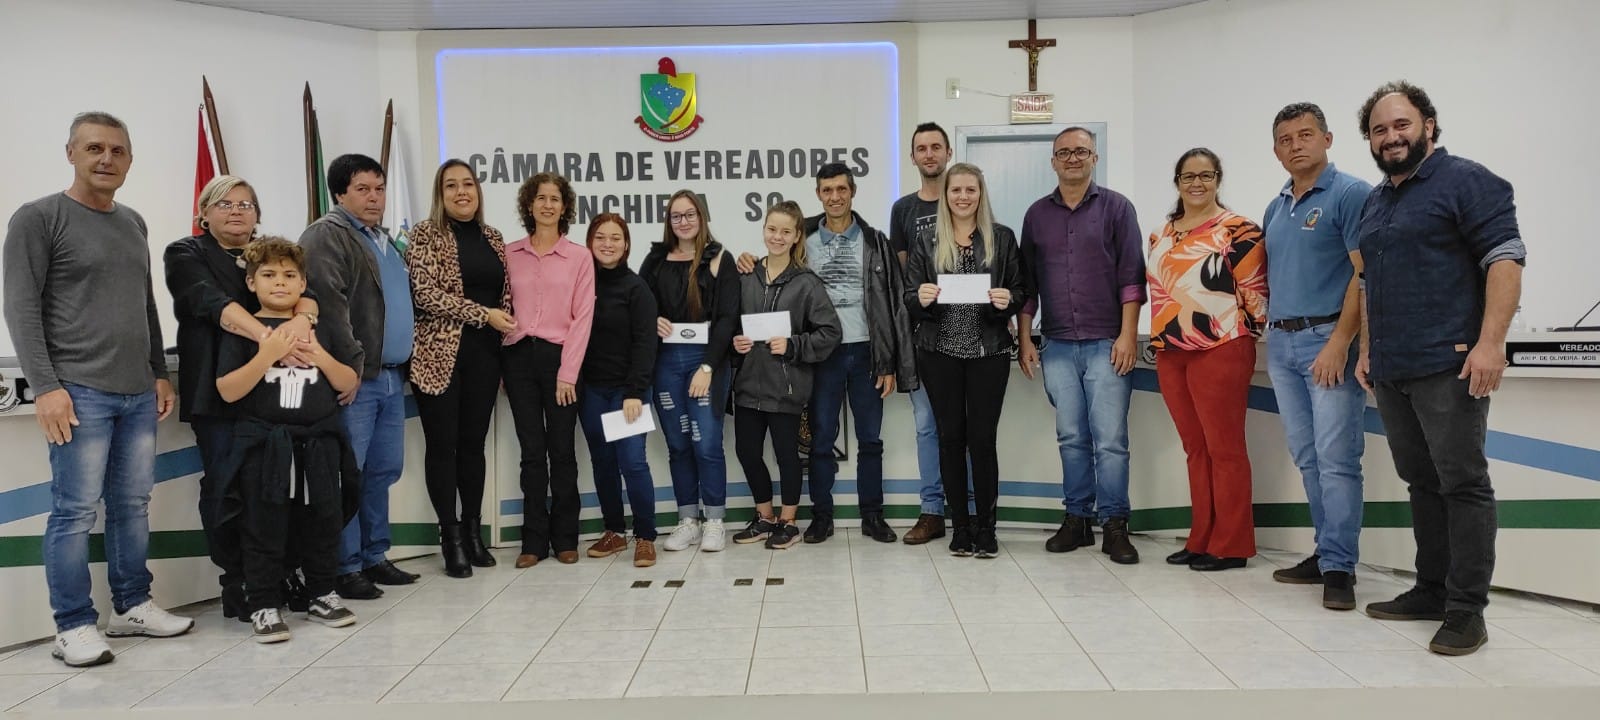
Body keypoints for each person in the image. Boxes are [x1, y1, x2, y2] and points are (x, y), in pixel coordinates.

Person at [4, 111, 193, 667]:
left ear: (129, 160)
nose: (106, 159)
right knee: (75, 511)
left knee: (133, 505)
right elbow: (20, 306)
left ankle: (131, 605)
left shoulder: (132, 221)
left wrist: (158, 369)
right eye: (94, 149)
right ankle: (73, 625)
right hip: (77, 390)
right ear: (71, 154)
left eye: (117, 151)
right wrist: (46, 387)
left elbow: (145, 303)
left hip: (137, 390)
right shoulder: (39, 218)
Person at [1354, 81, 1525, 656]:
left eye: (1401, 124)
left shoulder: (1468, 181)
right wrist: (1367, 350)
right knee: (1421, 483)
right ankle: (1430, 589)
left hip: (1450, 364)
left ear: (1429, 124)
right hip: (1395, 367)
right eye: (1379, 129)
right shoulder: (1379, 200)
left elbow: (1504, 259)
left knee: (1464, 484)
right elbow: (1369, 283)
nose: (1390, 137)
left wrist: (1490, 344)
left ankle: (1466, 609)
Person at [735, 163, 916, 544]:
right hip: (820, 356)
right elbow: (776, 269)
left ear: (852, 192)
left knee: (870, 439)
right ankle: (821, 517)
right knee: (819, 440)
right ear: (818, 194)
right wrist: (748, 260)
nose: (835, 196)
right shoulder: (805, 241)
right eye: (827, 190)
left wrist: (890, 361)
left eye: (841, 189)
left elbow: (893, 305)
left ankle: (873, 516)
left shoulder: (875, 241)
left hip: (867, 351)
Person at [165, 175, 320, 617]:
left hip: (277, 396)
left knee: (278, 490)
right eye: (225, 204)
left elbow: (308, 297)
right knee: (226, 491)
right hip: (218, 396)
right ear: (205, 212)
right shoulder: (186, 253)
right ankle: (238, 581)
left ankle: (279, 574)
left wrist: (301, 322)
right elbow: (212, 304)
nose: (236, 211)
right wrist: (270, 339)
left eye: (246, 204)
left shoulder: (269, 251)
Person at [214, 238, 360, 644]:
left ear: (303, 283)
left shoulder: (319, 325)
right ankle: (263, 602)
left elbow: (348, 382)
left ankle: (321, 593)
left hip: (318, 444)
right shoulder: (244, 331)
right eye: (269, 275)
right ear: (251, 282)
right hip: (265, 447)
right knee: (263, 525)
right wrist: (267, 354)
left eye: (290, 275)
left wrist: (320, 357)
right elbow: (227, 389)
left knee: (321, 522)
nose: (280, 283)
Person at [1261, 103, 1373, 610]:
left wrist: (1340, 342)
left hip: (1328, 342)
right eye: (1285, 139)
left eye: (1305, 134)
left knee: (1336, 460)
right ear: (1276, 150)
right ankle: (1326, 552)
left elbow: (1363, 275)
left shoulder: (1350, 194)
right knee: (1308, 457)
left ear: (1328, 139)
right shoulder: (1276, 205)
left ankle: (1340, 569)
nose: (1295, 145)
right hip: (1281, 345)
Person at [1017, 126, 1145, 564]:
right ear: (1053, 161)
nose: (1072, 158)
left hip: (1108, 343)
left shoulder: (1117, 208)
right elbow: (1027, 285)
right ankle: (1077, 520)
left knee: (1110, 440)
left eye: (1081, 151)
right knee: (1071, 436)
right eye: (1064, 152)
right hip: (1056, 344)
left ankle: (1114, 524)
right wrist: (1025, 338)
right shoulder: (1036, 215)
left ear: (1095, 158)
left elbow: (1132, 279)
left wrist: (1128, 335)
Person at [300, 153, 417, 600]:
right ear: (340, 193)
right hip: (355, 381)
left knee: (381, 472)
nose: (374, 197)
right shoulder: (326, 236)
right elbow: (328, 309)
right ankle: (343, 567)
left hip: (390, 377)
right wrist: (349, 367)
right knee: (348, 474)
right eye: (362, 189)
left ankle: (374, 556)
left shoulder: (384, 239)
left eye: (380, 188)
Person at [1147, 148, 1268, 573]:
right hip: (1171, 352)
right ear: (1176, 182)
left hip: (1221, 349)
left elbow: (1255, 295)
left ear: (1218, 179)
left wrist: (1235, 334)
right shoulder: (1161, 234)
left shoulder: (1239, 230)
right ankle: (1201, 538)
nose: (1196, 184)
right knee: (1195, 449)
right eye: (1187, 176)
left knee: (1225, 449)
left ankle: (1232, 544)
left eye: (1206, 175)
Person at [905, 162, 1024, 559]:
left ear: (980, 194)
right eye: (956, 190)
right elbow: (908, 295)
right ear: (946, 194)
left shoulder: (1002, 238)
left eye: (970, 190)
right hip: (939, 352)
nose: (962, 197)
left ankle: (986, 528)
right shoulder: (927, 240)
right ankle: (959, 527)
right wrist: (918, 300)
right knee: (950, 440)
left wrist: (1010, 301)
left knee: (982, 440)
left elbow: (1020, 289)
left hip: (987, 350)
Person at [406, 159, 513, 578]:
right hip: (438, 356)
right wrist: (482, 314)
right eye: (451, 186)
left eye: (468, 184)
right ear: (440, 193)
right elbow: (425, 294)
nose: (461, 192)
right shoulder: (425, 235)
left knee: (473, 445)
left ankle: (473, 532)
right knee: (443, 445)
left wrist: (501, 330)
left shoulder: (493, 237)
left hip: (486, 356)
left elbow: (506, 297)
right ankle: (449, 537)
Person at [729, 201, 842, 549]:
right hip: (748, 384)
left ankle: (789, 520)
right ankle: (764, 516)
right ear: (763, 230)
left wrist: (793, 345)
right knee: (747, 451)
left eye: (785, 231)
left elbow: (830, 333)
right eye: (771, 229)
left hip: (786, 387)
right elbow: (730, 323)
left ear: (796, 237)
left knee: (786, 456)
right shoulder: (744, 275)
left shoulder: (807, 283)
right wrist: (736, 341)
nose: (777, 237)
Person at [502, 172, 595, 568]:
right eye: (540, 197)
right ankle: (533, 542)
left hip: (561, 359)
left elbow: (583, 317)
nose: (547, 204)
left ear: (565, 206)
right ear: (529, 204)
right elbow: (500, 309)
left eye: (555, 198)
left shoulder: (579, 257)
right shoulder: (508, 254)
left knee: (562, 450)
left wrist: (568, 373)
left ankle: (565, 538)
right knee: (531, 453)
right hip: (518, 357)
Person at [639, 190, 740, 553]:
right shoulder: (654, 260)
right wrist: (653, 319)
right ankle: (688, 520)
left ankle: (715, 520)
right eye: (676, 216)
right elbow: (640, 307)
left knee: (708, 444)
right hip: (666, 364)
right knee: (678, 445)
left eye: (690, 214)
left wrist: (708, 366)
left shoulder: (719, 258)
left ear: (702, 217)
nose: (683, 222)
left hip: (705, 362)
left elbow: (728, 318)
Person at [577, 214, 661, 568]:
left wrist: (634, 392)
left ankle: (645, 536)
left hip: (627, 393)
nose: (607, 244)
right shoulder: (579, 283)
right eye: (600, 237)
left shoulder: (636, 288)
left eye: (615, 238)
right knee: (603, 463)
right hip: (591, 390)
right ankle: (614, 531)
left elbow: (645, 344)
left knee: (633, 462)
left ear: (626, 245)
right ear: (590, 242)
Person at [889, 122, 958, 544]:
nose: (929, 154)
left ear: (948, 151)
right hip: (921, 335)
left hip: (970, 335)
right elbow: (903, 276)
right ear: (912, 157)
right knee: (928, 426)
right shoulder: (903, 210)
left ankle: (967, 511)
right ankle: (932, 511)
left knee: (963, 428)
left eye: (936, 146)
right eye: (921, 148)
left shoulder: (966, 199)